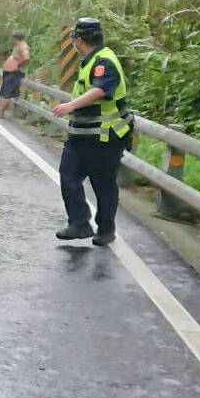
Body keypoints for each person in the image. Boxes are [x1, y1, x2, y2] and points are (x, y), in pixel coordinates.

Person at [51, 17, 134, 246]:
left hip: (105, 136)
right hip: (81, 135)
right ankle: (79, 223)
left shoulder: (104, 61)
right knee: (68, 177)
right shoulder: (89, 60)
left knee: (103, 184)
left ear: (78, 40)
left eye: (74, 40)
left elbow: (101, 90)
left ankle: (106, 229)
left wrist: (71, 105)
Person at [0, 31, 30, 118]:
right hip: (9, 73)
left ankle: (0, 113)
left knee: (7, 94)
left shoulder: (23, 46)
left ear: (15, 38)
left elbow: (26, 58)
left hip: (14, 73)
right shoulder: (18, 46)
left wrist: (19, 65)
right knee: (4, 92)